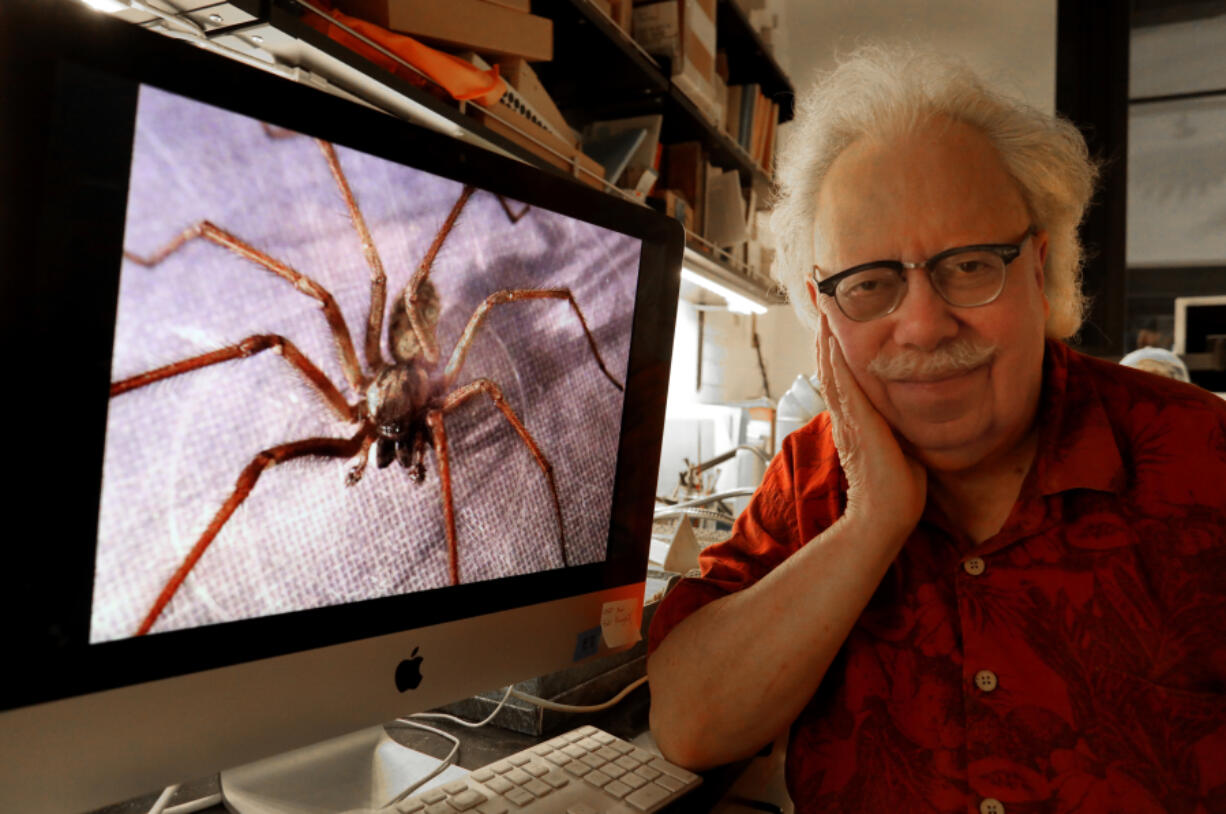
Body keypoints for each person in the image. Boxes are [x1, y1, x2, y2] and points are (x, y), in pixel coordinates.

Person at [646, 46, 1226, 812]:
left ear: (1039, 268)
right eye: (870, 284)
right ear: (824, 317)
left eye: (970, 266)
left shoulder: (1201, 457)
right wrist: (872, 524)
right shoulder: (810, 477)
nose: (921, 325)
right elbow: (691, 726)